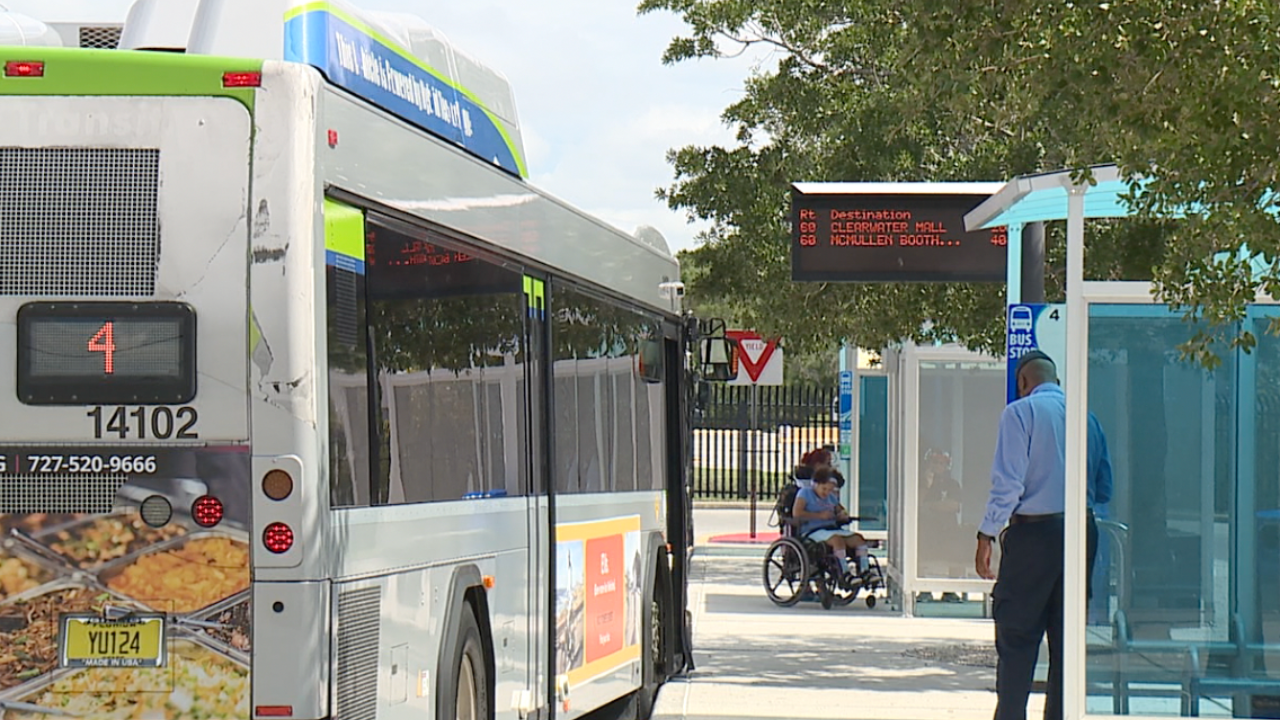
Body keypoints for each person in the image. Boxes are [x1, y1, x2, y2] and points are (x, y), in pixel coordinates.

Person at [974, 350, 1112, 720]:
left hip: (1033, 535)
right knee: (1067, 640)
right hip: (1081, 533)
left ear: (1023, 383)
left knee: (1018, 637)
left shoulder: (1020, 414)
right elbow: (1103, 487)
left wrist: (986, 534)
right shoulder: (1088, 418)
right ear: (1057, 381)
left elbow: (1008, 484)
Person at [793, 466, 868, 581]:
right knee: (837, 540)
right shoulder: (805, 493)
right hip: (812, 530)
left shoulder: (831, 497)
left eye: (830, 490)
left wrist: (842, 514)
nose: (826, 493)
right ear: (816, 484)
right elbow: (797, 513)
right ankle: (844, 573)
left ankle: (864, 571)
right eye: (824, 489)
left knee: (858, 539)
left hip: (830, 529)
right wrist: (820, 516)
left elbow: (840, 510)